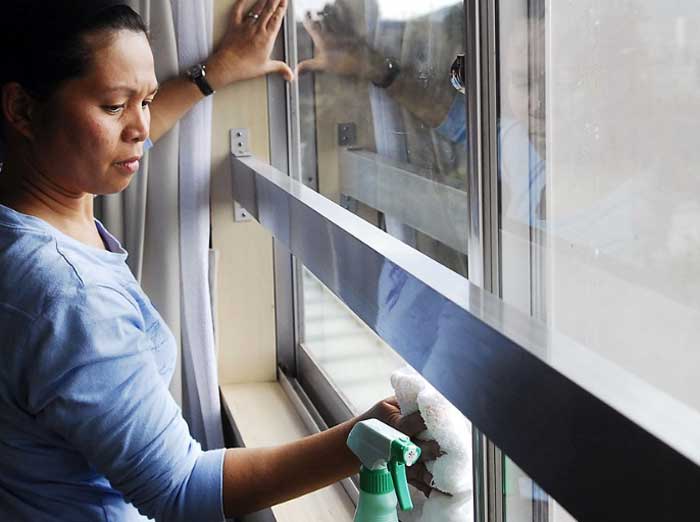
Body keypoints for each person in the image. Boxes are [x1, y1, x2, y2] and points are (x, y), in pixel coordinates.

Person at [0, 1, 437, 520]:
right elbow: (181, 489)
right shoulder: (69, 299)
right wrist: (365, 436)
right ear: (23, 110)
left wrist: (216, 72)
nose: (140, 126)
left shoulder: (31, 215)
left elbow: (131, 132)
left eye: (149, 100)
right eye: (116, 106)